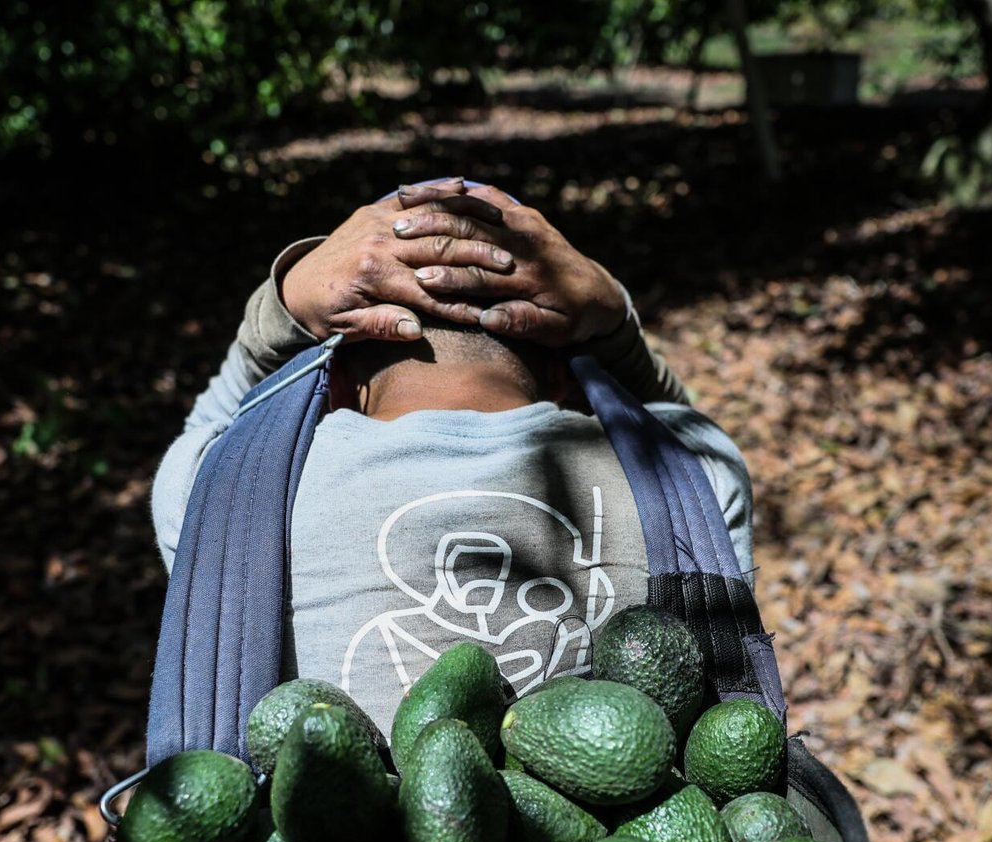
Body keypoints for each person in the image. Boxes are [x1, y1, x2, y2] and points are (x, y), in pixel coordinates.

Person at [152, 179, 753, 732]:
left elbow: (216, 417)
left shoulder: (224, 488)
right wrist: (614, 321)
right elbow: (669, 415)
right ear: (565, 375)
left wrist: (281, 306)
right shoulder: (688, 472)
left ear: (335, 383)